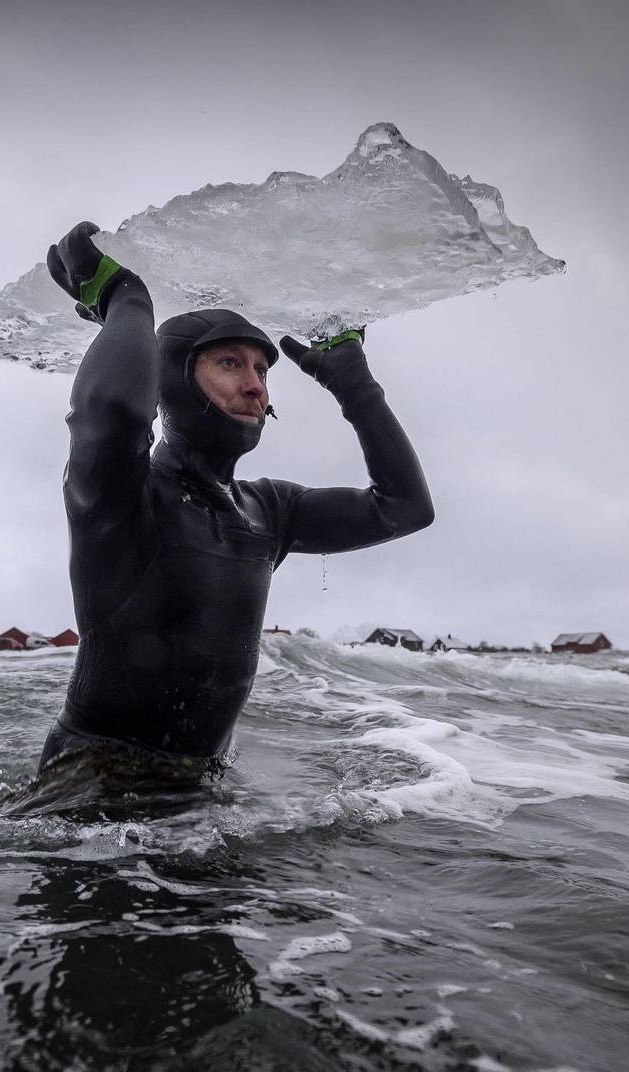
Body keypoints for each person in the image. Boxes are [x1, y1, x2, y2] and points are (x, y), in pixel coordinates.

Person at [36, 221, 434, 780]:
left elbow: (404, 508)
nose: (255, 386)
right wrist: (124, 301)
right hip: (92, 782)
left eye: (262, 369)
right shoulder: (123, 494)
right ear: (174, 379)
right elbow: (110, 418)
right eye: (228, 363)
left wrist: (356, 387)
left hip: (202, 785)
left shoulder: (269, 510)